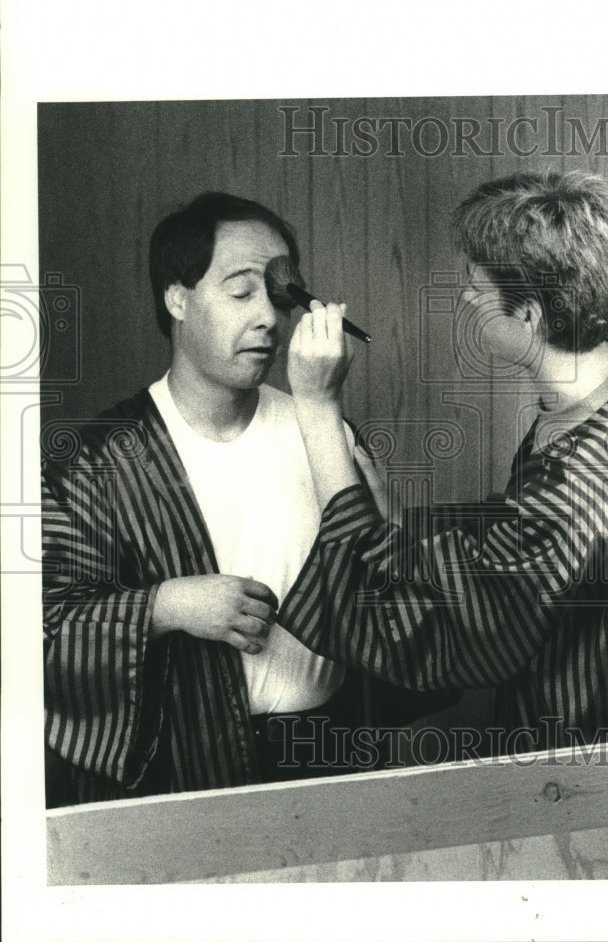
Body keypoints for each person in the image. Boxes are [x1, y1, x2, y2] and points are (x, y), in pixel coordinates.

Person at [278, 170, 608, 756]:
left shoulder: (580, 486)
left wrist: (315, 403)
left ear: (528, 315)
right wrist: (405, 524)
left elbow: (419, 626)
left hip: (593, 750)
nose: (465, 297)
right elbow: (523, 534)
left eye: (478, 290)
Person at [42, 191, 440, 806]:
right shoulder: (94, 460)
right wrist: (166, 605)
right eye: (240, 291)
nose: (269, 318)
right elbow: (41, 625)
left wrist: (393, 543)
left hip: (331, 757)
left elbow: (390, 607)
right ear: (178, 297)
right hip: (183, 771)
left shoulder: (326, 432)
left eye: (278, 294)